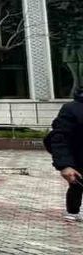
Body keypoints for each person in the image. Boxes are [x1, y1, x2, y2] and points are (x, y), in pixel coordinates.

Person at [48, 87, 83, 222]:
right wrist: (65, 165)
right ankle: (73, 211)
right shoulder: (72, 109)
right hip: (79, 164)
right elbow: (60, 139)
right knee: (76, 186)